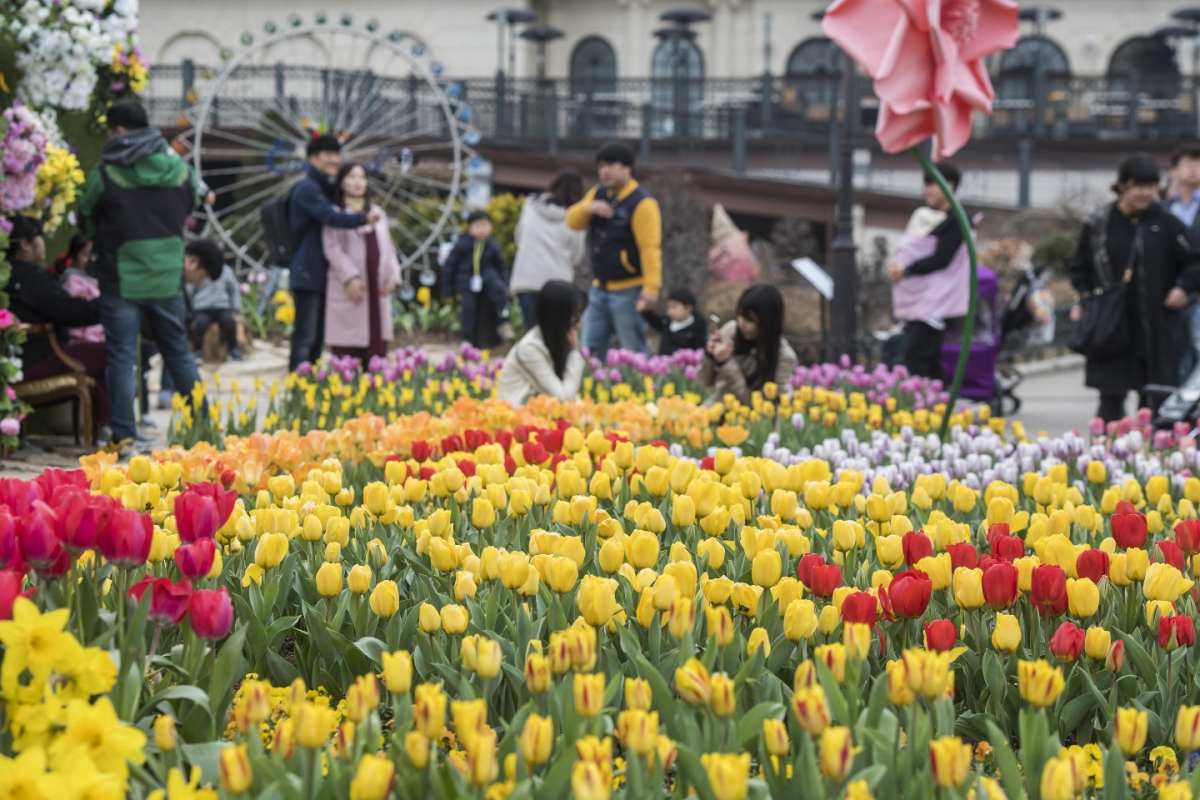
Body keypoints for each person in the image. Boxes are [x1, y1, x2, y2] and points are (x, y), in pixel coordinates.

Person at [79, 99, 203, 456]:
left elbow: (86, 217)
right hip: (166, 277)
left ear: (117, 131)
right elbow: (191, 202)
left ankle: (125, 437)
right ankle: (204, 427)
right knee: (178, 352)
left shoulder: (106, 173)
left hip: (121, 278)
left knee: (121, 357)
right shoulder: (178, 169)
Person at [1069, 154, 1200, 423]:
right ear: (1122, 186)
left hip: (1155, 325)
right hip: (1111, 325)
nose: (1146, 193)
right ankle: (1107, 455)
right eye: (1139, 186)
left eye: (1151, 186)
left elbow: (1194, 261)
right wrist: (1086, 299)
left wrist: (1184, 289)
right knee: (1109, 400)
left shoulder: (1166, 223)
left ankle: (1152, 456)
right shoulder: (1099, 224)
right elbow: (1079, 267)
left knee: (1154, 399)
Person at [4, 216, 109, 427]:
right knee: (110, 352)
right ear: (25, 244)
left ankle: (104, 427)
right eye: (40, 237)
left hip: (18, 361)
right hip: (36, 360)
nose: (43, 243)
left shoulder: (8, 274)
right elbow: (74, 314)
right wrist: (112, 300)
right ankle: (114, 430)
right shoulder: (31, 278)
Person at [287, 135, 380, 372]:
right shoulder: (308, 189)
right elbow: (331, 217)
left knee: (318, 337)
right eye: (328, 154)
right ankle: (297, 385)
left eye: (336, 154)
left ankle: (309, 385)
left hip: (319, 273)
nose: (334, 159)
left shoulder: (325, 187)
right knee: (306, 335)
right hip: (307, 271)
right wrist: (363, 218)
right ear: (312, 158)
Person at [566, 141, 662, 359]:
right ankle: (591, 390)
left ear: (628, 167)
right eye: (601, 166)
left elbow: (650, 248)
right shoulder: (599, 193)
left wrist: (651, 288)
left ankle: (639, 391)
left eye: (611, 165)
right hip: (599, 289)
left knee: (633, 351)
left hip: (629, 291)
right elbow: (572, 220)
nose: (604, 171)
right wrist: (588, 208)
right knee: (589, 349)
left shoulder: (642, 203)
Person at [887, 161, 970, 383]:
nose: (927, 190)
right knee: (929, 357)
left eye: (932, 184)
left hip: (936, 303)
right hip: (925, 301)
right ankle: (937, 406)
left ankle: (926, 407)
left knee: (917, 356)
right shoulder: (936, 218)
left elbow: (941, 259)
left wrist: (907, 270)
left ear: (949, 185)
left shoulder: (958, 220)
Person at [322, 162, 402, 363]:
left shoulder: (377, 213)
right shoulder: (335, 213)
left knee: (376, 349)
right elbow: (332, 247)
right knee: (348, 354)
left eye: (362, 177)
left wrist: (393, 276)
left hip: (377, 287)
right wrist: (350, 277)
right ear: (340, 183)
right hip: (352, 288)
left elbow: (388, 248)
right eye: (351, 177)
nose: (358, 182)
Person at [510, 169, 586, 329]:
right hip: (558, 283)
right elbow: (576, 256)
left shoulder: (530, 206)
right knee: (555, 333)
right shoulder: (576, 218)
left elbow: (519, 237)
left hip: (526, 279)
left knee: (531, 333)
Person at [700, 284, 798, 407]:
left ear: (767, 323)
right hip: (714, 412)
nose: (741, 323)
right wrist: (710, 355)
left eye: (749, 320)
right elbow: (703, 383)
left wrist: (726, 363)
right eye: (740, 315)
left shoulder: (784, 357)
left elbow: (758, 406)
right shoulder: (731, 331)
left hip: (750, 423)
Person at [496, 280, 587, 405]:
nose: (578, 321)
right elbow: (563, 397)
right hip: (518, 418)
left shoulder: (552, 340)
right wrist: (575, 353)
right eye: (574, 315)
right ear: (559, 315)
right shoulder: (529, 349)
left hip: (539, 415)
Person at [442, 210, 513, 346]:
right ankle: (466, 338)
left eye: (485, 225)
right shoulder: (462, 243)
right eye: (478, 225)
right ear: (470, 227)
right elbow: (449, 267)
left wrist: (506, 284)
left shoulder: (492, 244)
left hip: (488, 277)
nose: (482, 229)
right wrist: (448, 291)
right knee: (468, 309)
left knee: (498, 291)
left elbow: (501, 266)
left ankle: (503, 322)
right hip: (466, 281)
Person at [1167, 143, 1200, 381]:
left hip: (1197, 294)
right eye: (1189, 164)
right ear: (1174, 172)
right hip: (1169, 296)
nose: (1195, 169)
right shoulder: (1166, 209)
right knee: (1175, 358)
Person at [184, 238, 243, 362]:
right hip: (201, 307)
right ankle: (197, 351)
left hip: (222, 306)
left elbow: (234, 291)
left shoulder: (227, 271)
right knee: (200, 324)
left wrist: (234, 309)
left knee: (229, 322)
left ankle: (233, 349)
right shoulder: (195, 270)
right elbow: (189, 291)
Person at [640, 287, 708, 355]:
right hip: (664, 362)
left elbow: (700, 347)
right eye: (668, 307)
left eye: (674, 307)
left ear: (688, 309)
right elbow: (655, 322)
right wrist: (646, 312)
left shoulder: (697, 327)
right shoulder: (667, 322)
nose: (670, 311)